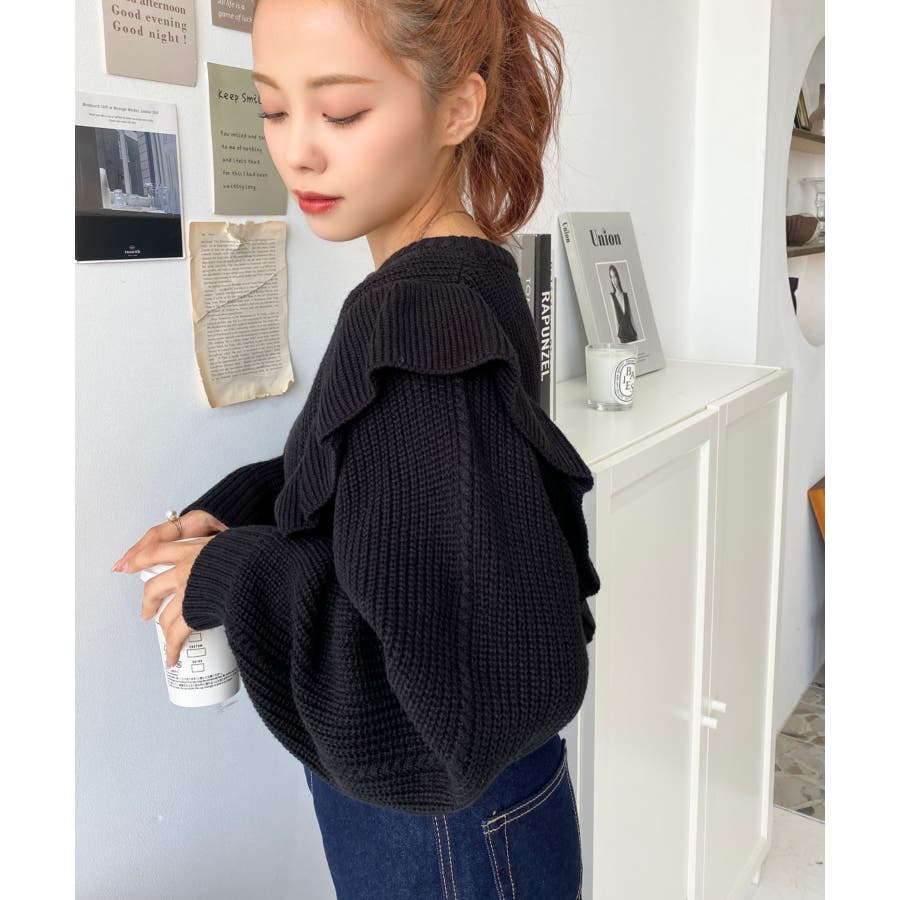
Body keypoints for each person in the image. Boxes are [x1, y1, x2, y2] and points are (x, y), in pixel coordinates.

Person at [112, 0, 601, 895]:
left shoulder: (418, 308)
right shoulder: (465, 274)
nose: (297, 150)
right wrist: (246, 506)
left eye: (340, 112)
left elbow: (426, 708)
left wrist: (228, 572)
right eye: (272, 106)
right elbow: (398, 485)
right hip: (481, 820)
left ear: (457, 109)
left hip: (450, 837)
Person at [608, 263, 639, 344]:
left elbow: (631, 318)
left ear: (618, 277)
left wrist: (638, 339)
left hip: (632, 335)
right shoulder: (612, 296)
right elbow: (616, 321)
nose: (613, 280)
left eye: (614, 276)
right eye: (611, 277)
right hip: (623, 337)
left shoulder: (626, 295)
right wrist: (619, 343)